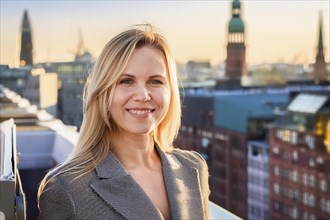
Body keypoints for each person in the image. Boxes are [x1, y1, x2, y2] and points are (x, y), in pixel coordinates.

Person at [38, 24, 210, 220]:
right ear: (103, 91)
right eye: (126, 81)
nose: (143, 95)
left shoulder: (193, 168)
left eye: (155, 81)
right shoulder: (68, 188)